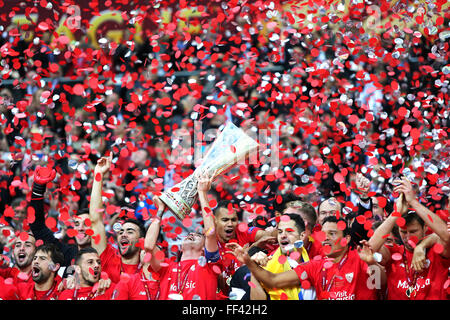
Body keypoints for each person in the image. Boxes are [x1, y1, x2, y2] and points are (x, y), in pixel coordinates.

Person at [227, 216, 386, 300]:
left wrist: (372, 263)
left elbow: (382, 282)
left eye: (332, 234)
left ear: (348, 238)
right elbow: (273, 280)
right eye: (324, 234)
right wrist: (248, 261)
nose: (326, 238)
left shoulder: (360, 258)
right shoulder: (315, 266)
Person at [368, 176, 450, 300]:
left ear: (425, 228)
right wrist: (396, 213)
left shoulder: (437, 252)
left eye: (413, 231)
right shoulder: (395, 253)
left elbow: (446, 236)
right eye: (403, 232)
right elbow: (370, 249)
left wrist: (413, 202)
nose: (408, 237)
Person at [145, 171, 222, 300]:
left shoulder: (210, 265)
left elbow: (210, 232)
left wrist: (202, 193)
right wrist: (160, 210)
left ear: (205, 249)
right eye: (191, 234)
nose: (191, 234)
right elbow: (148, 246)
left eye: (197, 235)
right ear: (180, 247)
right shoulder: (167, 267)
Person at [88, 155, 145, 283]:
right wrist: (98, 174)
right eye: (120, 232)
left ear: (141, 241)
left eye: (130, 231)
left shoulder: (149, 268)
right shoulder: (108, 258)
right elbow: (95, 220)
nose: (123, 234)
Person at [29, 165, 91, 268]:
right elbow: (38, 227)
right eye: (77, 224)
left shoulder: (103, 252)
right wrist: (38, 189)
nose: (80, 228)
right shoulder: (65, 253)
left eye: (86, 224)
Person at [249, 213, 316, 300]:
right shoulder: (267, 266)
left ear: (302, 236)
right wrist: (255, 269)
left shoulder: (313, 266)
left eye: (289, 231)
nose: (283, 235)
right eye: (280, 232)